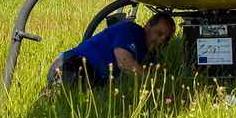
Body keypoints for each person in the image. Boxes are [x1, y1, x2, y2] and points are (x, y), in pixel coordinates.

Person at [46, 12, 176, 88]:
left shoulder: (149, 57)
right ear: (147, 26)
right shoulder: (130, 30)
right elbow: (125, 62)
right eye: (158, 33)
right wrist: (157, 86)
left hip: (96, 80)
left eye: (166, 39)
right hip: (72, 65)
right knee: (62, 104)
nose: (160, 40)